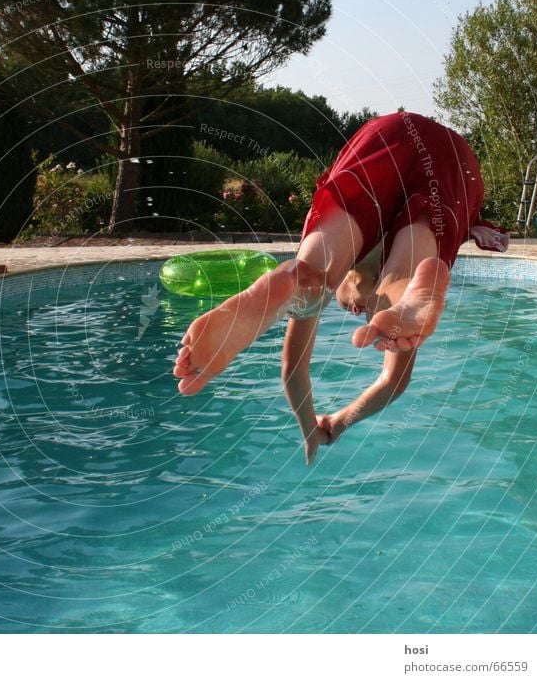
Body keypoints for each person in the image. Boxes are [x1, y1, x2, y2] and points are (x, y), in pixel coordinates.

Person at [173, 111, 508, 464]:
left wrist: (316, 427)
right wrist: (335, 423)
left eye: (359, 310)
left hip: (403, 139)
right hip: (444, 156)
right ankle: (408, 295)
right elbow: (388, 382)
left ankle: (300, 279)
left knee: (314, 278)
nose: (356, 311)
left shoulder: (339, 274)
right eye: (363, 310)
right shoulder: (375, 279)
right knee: (398, 278)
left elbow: (294, 370)